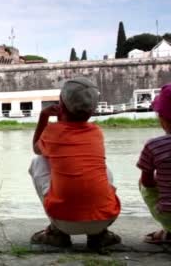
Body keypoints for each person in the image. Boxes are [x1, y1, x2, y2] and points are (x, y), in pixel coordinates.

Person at [29, 77, 121, 251]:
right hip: (105, 218)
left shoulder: (52, 132)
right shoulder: (96, 133)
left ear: (61, 106)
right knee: (101, 168)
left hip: (64, 221)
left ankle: (56, 233)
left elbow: (36, 148)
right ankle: (99, 235)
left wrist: (43, 117)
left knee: (39, 162)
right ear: (92, 110)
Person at [137, 81, 171, 246]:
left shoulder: (154, 145)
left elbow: (147, 182)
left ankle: (169, 231)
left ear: (163, 117)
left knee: (142, 184)